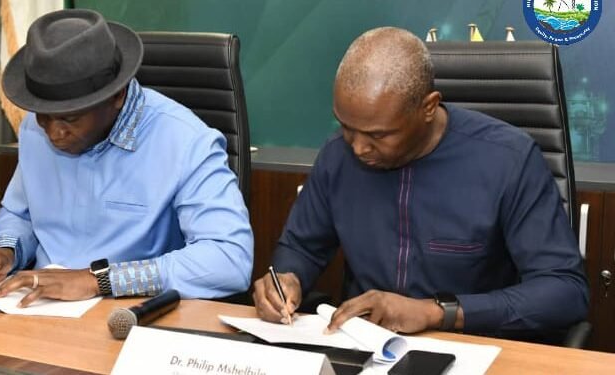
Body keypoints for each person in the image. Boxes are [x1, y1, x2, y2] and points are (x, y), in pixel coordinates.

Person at [252, 27, 588, 341]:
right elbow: (302, 247)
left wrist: (435, 312)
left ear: (428, 107)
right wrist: (286, 279)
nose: (357, 147)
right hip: (365, 348)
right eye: (346, 127)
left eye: (378, 135)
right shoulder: (337, 157)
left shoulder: (509, 160)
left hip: (474, 348)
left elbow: (564, 291)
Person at [0, 9, 253, 306]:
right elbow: (21, 214)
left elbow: (229, 259)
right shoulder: (38, 128)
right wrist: (6, 253)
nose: (53, 132)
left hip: (128, 317)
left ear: (117, 96)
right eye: (41, 114)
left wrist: (97, 280)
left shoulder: (186, 140)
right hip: (35, 310)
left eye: (69, 118)